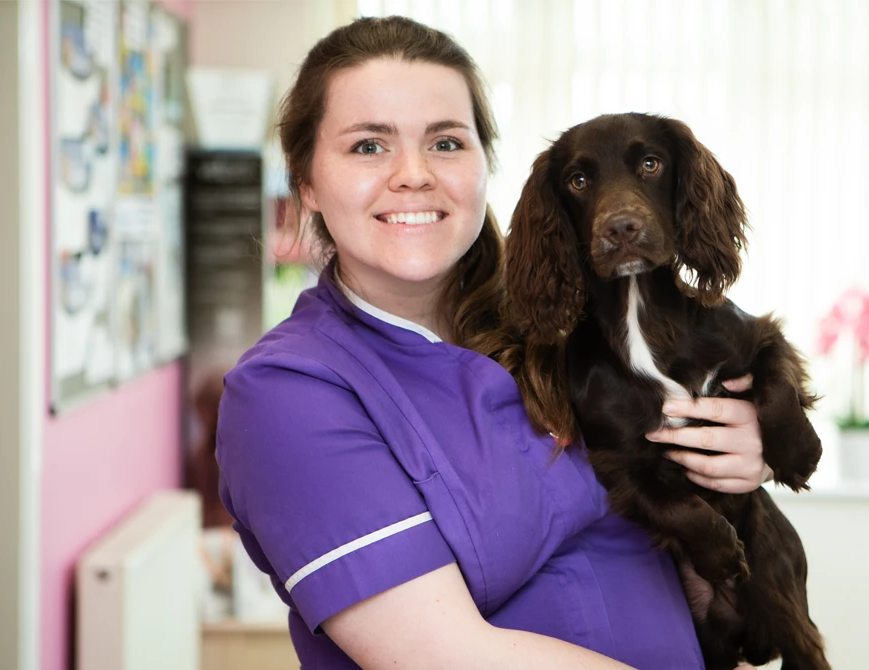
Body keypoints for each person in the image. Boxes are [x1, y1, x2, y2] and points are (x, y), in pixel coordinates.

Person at [216, 15, 769, 670]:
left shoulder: (567, 317)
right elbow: (444, 655)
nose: (413, 174)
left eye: (446, 143)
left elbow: (719, 377)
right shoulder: (286, 395)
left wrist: (746, 440)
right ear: (306, 180)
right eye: (369, 146)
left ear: (485, 164)